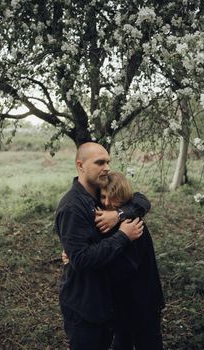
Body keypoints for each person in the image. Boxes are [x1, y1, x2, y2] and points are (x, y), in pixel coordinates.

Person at [55, 142, 145, 350]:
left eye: (108, 162)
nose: (106, 167)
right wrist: (123, 236)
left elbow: (140, 200)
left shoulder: (99, 194)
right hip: (85, 306)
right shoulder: (72, 207)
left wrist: (119, 214)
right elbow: (82, 260)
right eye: (99, 162)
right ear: (80, 166)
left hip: (106, 301)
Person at [99, 172, 165, 350]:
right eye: (103, 196)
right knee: (122, 342)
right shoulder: (108, 216)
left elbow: (125, 268)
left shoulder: (132, 223)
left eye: (112, 198)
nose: (106, 203)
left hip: (143, 301)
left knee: (148, 343)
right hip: (122, 303)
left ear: (122, 197)